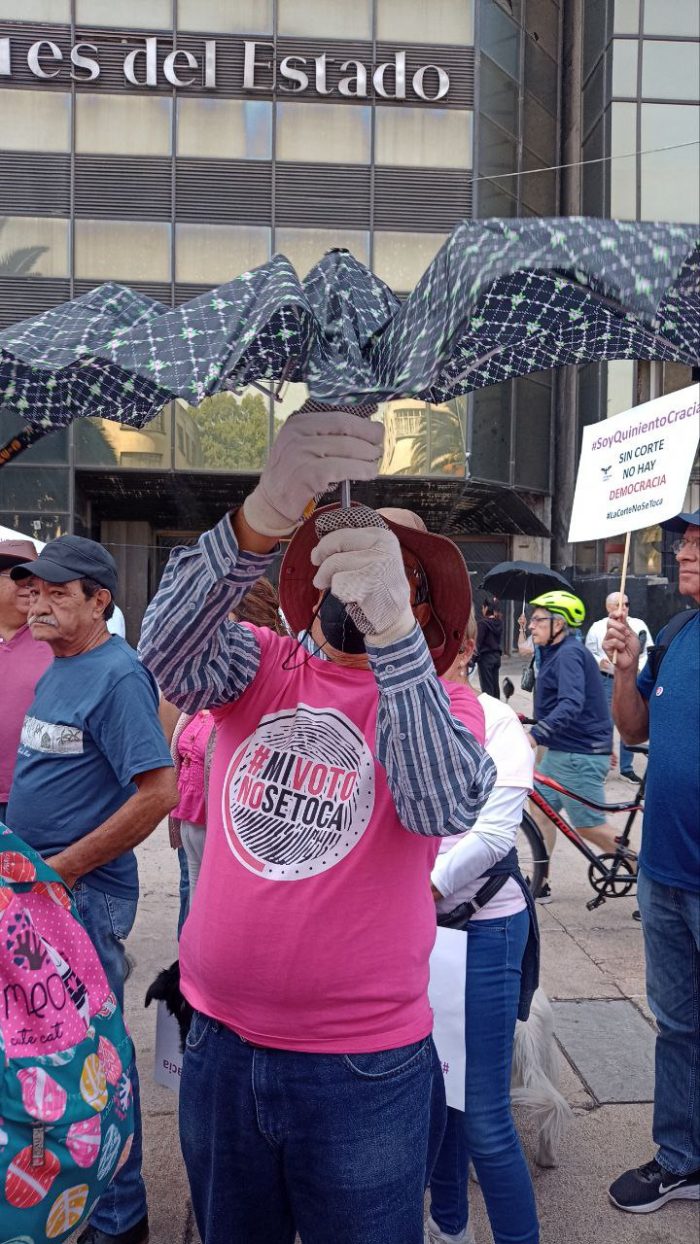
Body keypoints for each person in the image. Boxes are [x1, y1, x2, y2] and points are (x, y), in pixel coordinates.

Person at [139, 410, 497, 1244]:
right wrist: (266, 506)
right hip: (220, 1047)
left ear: (422, 596)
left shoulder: (447, 703)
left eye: (393, 568)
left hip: (361, 1070)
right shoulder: (264, 663)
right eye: (346, 551)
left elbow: (439, 803)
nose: (358, 575)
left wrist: (395, 635)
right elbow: (167, 655)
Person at [6, 534, 178, 1244]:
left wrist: (64, 870)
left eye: (55, 592)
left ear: (99, 600)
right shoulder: (59, 664)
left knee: (92, 1059)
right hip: (39, 897)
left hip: (81, 899)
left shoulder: (116, 674)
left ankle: (118, 1215)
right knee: (50, 1052)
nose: (36, 602)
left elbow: (159, 790)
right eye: (33, 590)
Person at [426, 614, 540, 1244]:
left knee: (485, 1119)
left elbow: (493, 836)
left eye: (432, 638)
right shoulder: (398, 710)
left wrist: (415, 891)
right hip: (420, 937)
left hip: (483, 932)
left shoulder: (498, 724)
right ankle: (449, 1229)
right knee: (440, 1104)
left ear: (467, 647)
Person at [604, 509, 699, 1214]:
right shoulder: (673, 634)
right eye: (684, 541)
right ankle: (680, 1157)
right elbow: (634, 728)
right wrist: (627, 669)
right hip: (665, 872)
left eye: (699, 542)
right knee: (678, 1023)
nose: (683, 552)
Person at [166, 578, 283, 920]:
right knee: (190, 901)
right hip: (191, 819)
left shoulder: (266, 687)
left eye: (218, 621)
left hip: (227, 828)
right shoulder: (205, 683)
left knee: (216, 910)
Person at [526, 591, 624, 895]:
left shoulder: (569, 653)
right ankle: (540, 881)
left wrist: (536, 734)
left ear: (559, 623)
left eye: (539, 619)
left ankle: (646, 876)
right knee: (540, 812)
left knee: (589, 826)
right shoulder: (561, 652)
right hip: (564, 753)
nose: (532, 625)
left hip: (576, 756)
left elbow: (571, 704)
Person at [0, 538, 53, 822]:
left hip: (37, 797)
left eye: (34, 580)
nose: (29, 586)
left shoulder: (56, 640)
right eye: (16, 576)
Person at [585, 592, 651, 783]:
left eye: (627, 604)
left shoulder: (638, 625)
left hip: (632, 680)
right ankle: (603, 766)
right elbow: (589, 651)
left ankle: (626, 768)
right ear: (608, 607)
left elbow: (648, 651)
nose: (623, 609)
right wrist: (599, 661)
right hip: (605, 680)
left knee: (628, 720)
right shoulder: (597, 627)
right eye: (618, 604)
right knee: (605, 723)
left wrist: (638, 665)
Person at [475, 599, 503, 698]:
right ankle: (497, 706)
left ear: (486, 608)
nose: (482, 610)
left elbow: (478, 642)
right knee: (495, 685)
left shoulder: (483, 624)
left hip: (485, 658)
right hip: (496, 657)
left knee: (487, 687)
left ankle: (490, 708)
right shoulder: (499, 622)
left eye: (483, 607)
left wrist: (473, 658)